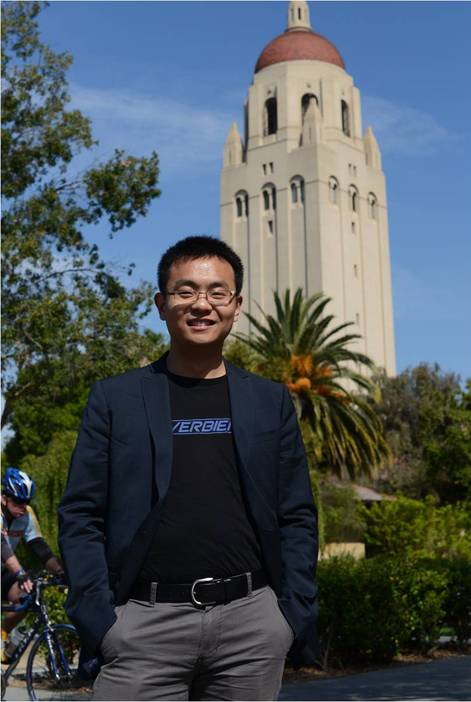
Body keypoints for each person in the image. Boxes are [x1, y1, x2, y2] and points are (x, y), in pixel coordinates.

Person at [58, 235, 320, 701]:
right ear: (161, 304)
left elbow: (296, 513)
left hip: (251, 629)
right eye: (186, 291)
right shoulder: (116, 399)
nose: (202, 304)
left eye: (218, 292)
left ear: (236, 306)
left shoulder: (269, 401)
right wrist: (102, 621)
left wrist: (288, 616)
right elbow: (80, 514)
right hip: (142, 626)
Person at [1, 467, 64, 662]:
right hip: (7, 564)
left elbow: (39, 547)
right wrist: (20, 573)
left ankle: (3, 632)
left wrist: (61, 572)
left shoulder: (26, 514)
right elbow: (2, 547)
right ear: (4, 498)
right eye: (18, 501)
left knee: (27, 595)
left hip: (3, 571)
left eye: (27, 501)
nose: (23, 506)